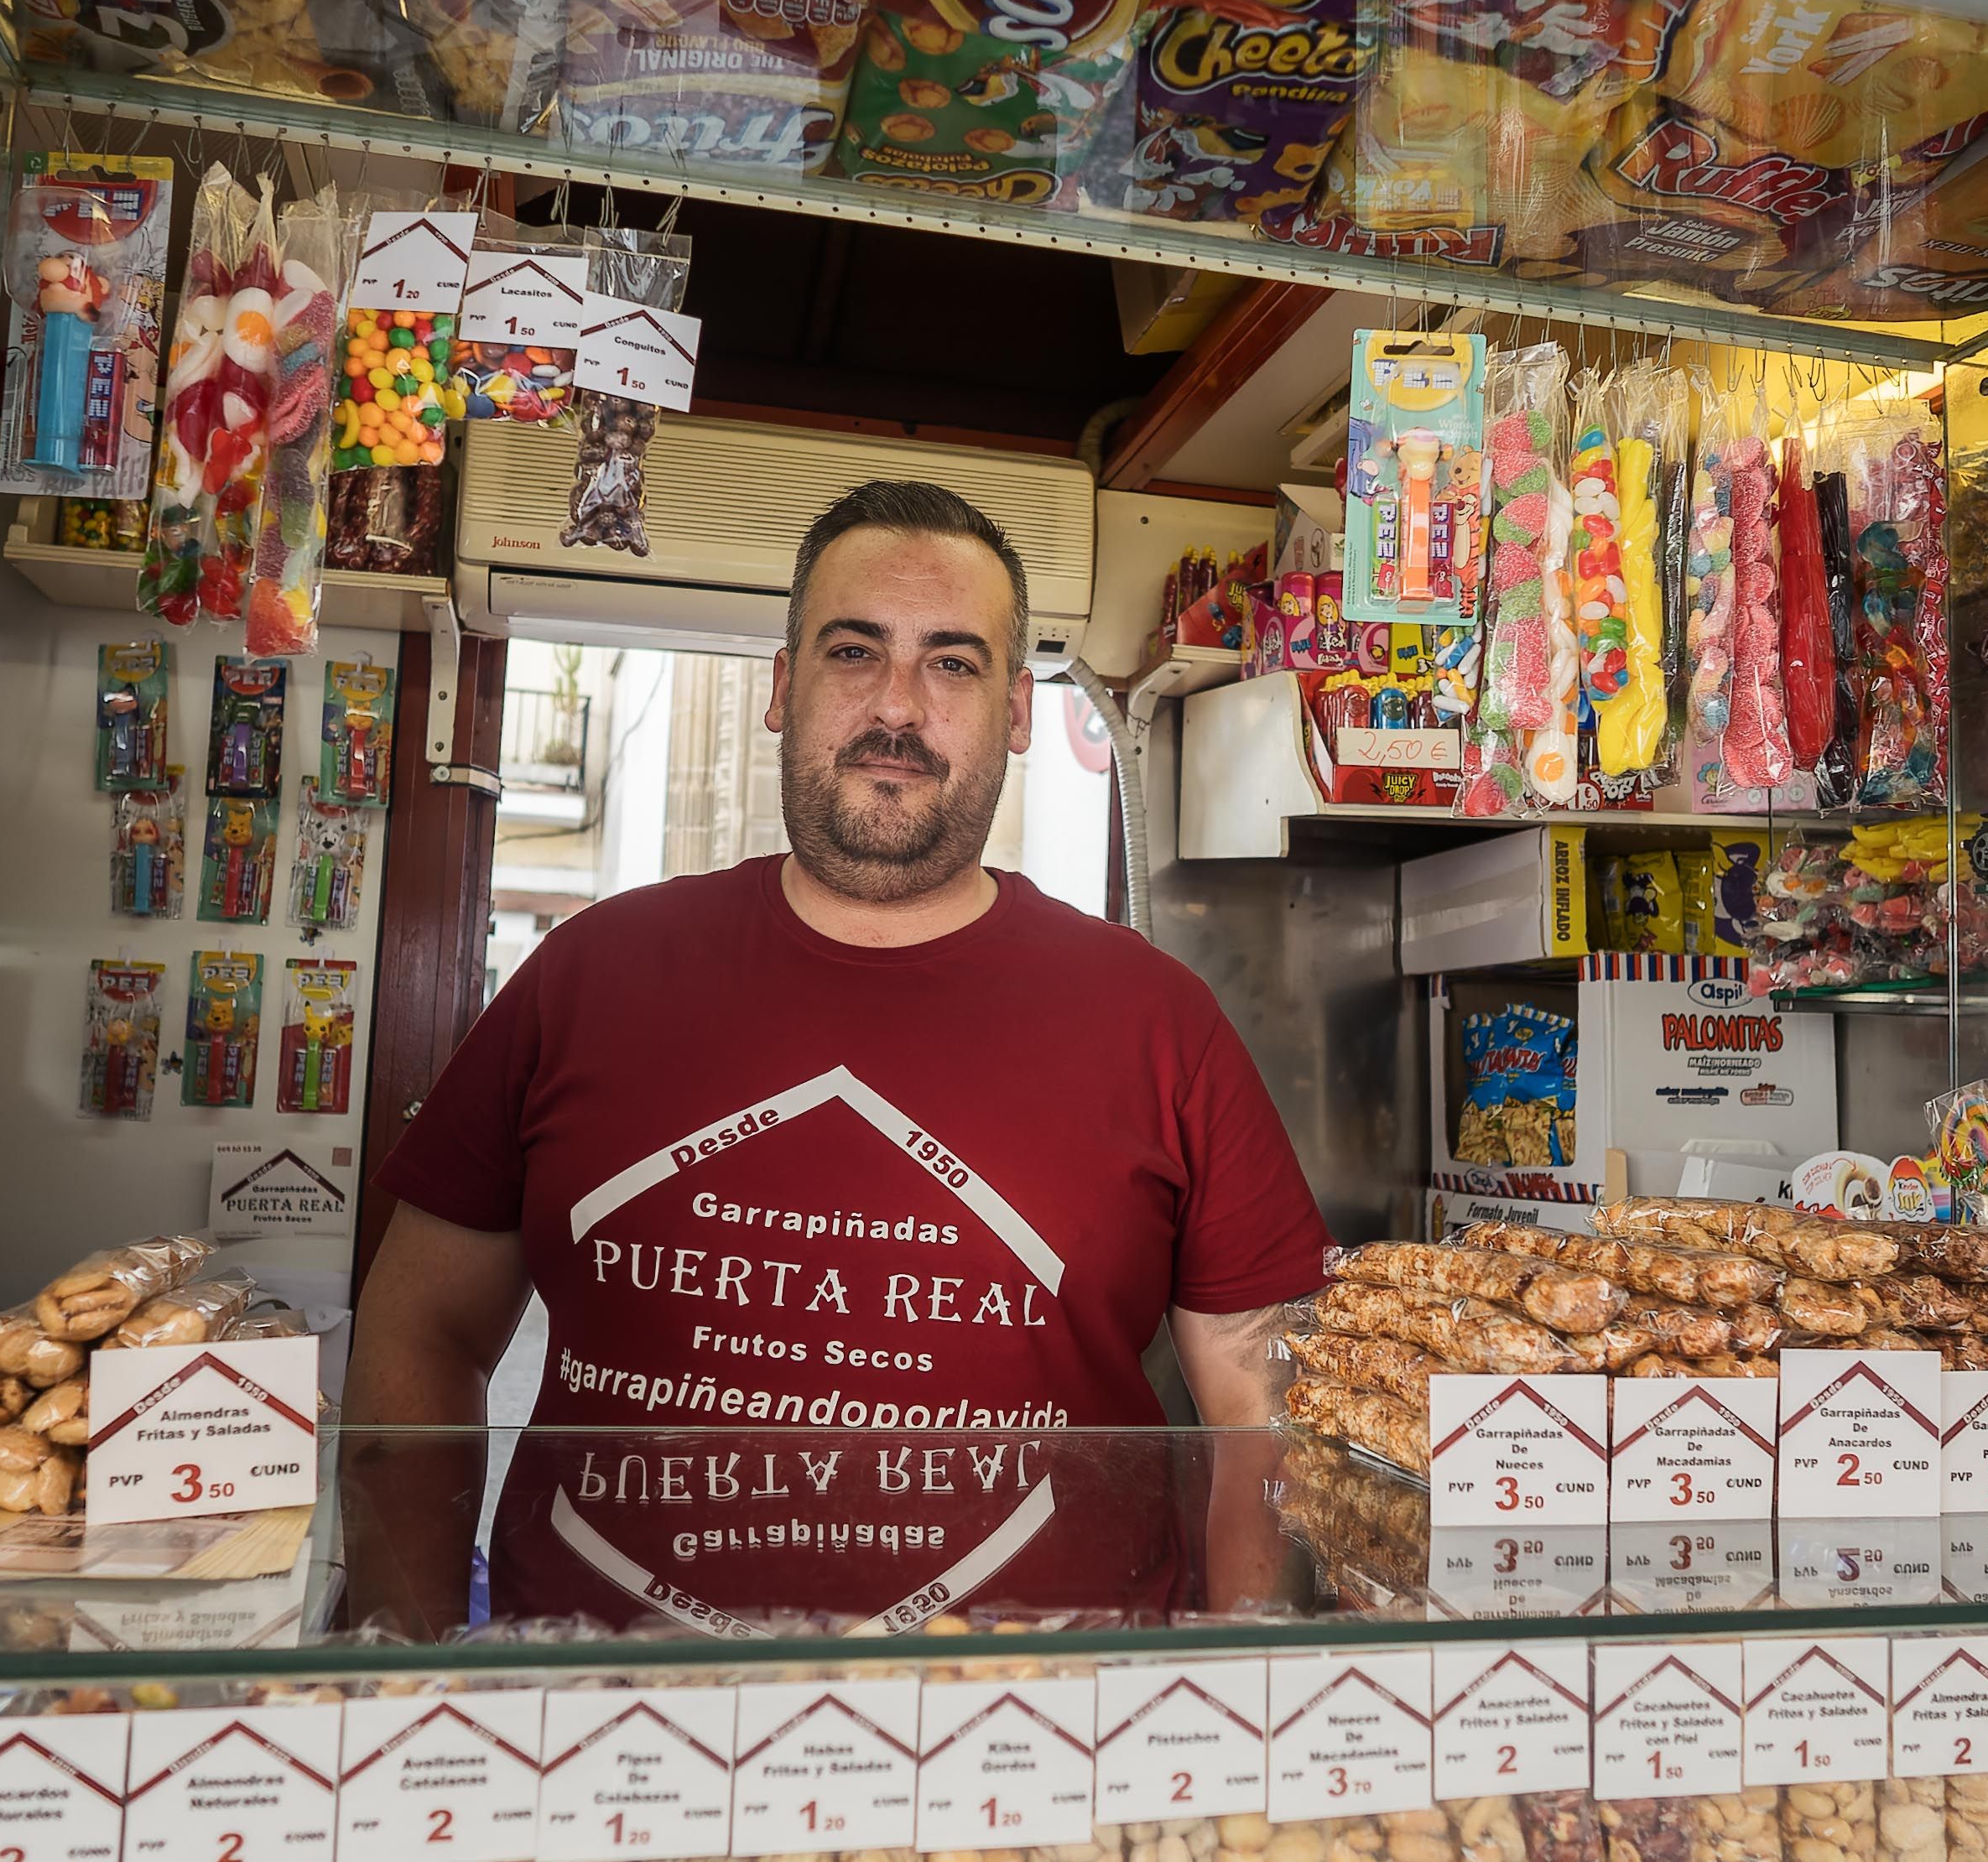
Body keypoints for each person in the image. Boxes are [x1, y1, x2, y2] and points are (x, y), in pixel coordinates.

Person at [346, 476, 1330, 1626]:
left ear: (1017, 711)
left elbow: (1268, 1413)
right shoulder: (587, 977)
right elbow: (420, 1334)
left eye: (954, 663)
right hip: (607, 1737)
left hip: (1045, 1750)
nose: (899, 708)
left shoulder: (1162, 1023)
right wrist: (399, 1667)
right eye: (856, 651)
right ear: (781, 686)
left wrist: (1237, 1701)